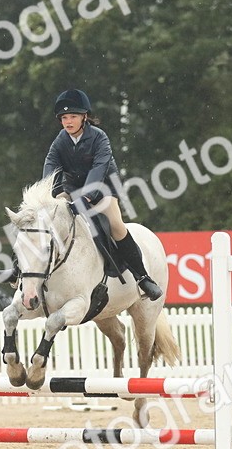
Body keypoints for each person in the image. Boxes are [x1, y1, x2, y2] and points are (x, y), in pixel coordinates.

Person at [39, 89, 163, 301]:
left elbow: (99, 169)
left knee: (115, 224)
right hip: (73, 189)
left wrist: (86, 197)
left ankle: (142, 277)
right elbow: (51, 165)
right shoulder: (61, 140)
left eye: (73, 117)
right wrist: (53, 193)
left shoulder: (99, 137)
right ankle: (22, 271)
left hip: (104, 189)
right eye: (64, 118)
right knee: (48, 218)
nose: (68, 122)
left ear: (84, 117)